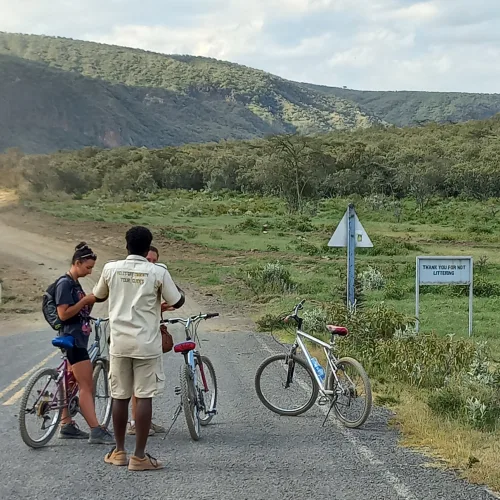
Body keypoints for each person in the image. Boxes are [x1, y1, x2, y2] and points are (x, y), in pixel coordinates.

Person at [93, 226, 185, 471]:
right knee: (143, 396)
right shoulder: (157, 271)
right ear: (148, 248)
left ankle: (119, 451)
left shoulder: (111, 269)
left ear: (126, 246)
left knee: (120, 396)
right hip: (146, 343)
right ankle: (140, 456)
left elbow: (99, 295)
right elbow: (177, 300)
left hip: (119, 342)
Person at [55, 242, 115, 444]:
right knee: (86, 386)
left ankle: (66, 424)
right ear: (77, 262)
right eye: (88, 267)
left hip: (77, 337)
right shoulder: (65, 283)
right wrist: (84, 301)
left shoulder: (74, 283)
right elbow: (63, 314)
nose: (89, 272)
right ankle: (96, 430)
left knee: (69, 381)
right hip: (74, 340)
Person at [127, 245, 167, 437]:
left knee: (146, 383)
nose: (151, 263)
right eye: (148, 259)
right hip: (136, 336)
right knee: (138, 384)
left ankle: (144, 421)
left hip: (148, 335)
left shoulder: (155, 277)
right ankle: (135, 422)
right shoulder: (135, 279)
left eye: (154, 261)